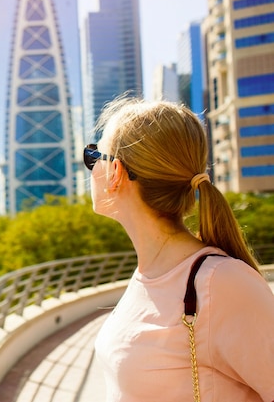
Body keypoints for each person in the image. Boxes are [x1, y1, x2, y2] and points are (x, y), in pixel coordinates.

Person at [85, 96, 274, 401]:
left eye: (94, 155)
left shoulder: (221, 284)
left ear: (116, 173)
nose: (90, 167)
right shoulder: (152, 273)